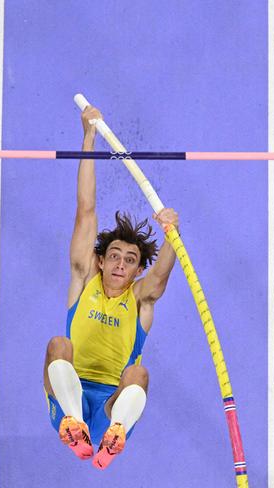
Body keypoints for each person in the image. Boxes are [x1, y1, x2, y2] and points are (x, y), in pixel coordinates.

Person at [43, 104, 179, 469]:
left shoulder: (140, 300)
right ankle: (73, 423)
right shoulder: (83, 279)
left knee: (139, 374)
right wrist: (88, 136)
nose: (120, 263)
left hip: (112, 406)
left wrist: (171, 235)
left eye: (130, 260)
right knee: (59, 345)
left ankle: (110, 439)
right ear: (100, 261)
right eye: (114, 256)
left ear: (137, 271)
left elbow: (161, 278)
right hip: (69, 390)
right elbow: (85, 210)